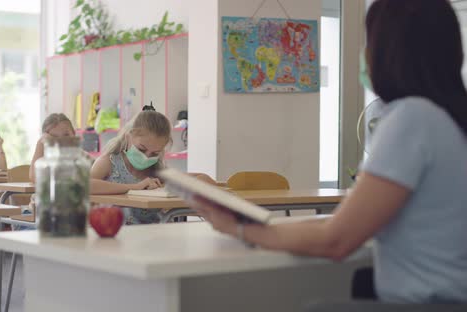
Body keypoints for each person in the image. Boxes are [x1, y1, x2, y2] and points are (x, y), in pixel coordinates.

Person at [189, 0, 467, 304]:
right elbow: (345, 224)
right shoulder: (448, 118)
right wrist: (261, 225)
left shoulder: (412, 120)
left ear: (388, 51)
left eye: (368, 42)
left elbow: (337, 241)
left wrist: (239, 229)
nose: (364, 55)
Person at [91, 111, 170, 224]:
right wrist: (135, 187)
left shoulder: (159, 171)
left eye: (155, 153)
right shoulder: (109, 162)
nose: (146, 157)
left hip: (153, 235)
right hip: (115, 234)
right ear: (128, 137)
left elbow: (202, 179)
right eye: (142, 149)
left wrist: (166, 189)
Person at [29, 113, 77, 182]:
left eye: (66, 135)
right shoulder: (46, 162)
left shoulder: (83, 159)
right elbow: (36, 177)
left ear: (74, 135)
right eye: (53, 137)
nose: (61, 141)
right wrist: (40, 143)